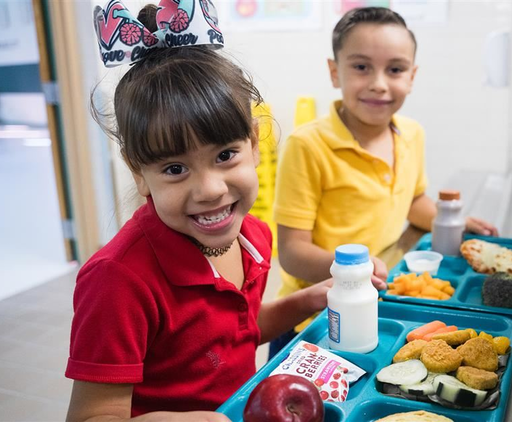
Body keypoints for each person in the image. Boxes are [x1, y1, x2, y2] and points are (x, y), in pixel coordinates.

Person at [66, 1, 335, 419]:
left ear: (255, 141)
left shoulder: (253, 238)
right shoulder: (118, 281)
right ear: (138, 172)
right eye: (175, 168)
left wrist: (307, 301)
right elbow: (92, 416)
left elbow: (236, 336)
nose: (210, 189)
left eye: (226, 155)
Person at [270, 7, 499, 357]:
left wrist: (451, 220)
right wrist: (355, 270)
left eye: (395, 69)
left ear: (412, 75)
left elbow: (412, 200)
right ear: (335, 72)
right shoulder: (308, 145)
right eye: (361, 67)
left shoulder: (411, 133)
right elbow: (292, 253)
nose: (379, 83)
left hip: (379, 297)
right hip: (316, 318)